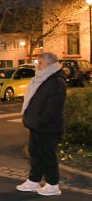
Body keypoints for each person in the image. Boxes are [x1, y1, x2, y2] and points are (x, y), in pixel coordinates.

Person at [16, 52, 66, 196]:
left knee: (47, 155)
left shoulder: (56, 81)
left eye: (40, 63)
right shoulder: (42, 79)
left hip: (48, 127)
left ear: (50, 64)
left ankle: (53, 185)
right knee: (35, 153)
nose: (37, 66)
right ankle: (33, 181)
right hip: (37, 125)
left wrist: (40, 120)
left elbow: (53, 108)